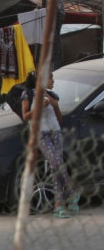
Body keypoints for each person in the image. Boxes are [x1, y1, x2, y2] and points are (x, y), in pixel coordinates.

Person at [20, 70, 75, 218]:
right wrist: (39, 107)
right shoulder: (28, 95)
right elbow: (26, 116)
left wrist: (55, 106)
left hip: (55, 132)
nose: (53, 81)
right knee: (56, 162)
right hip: (41, 134)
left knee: (55, 168)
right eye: (50, 78)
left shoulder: (52, 95)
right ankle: (71, 190)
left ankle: (59, 205)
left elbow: (59, 119)